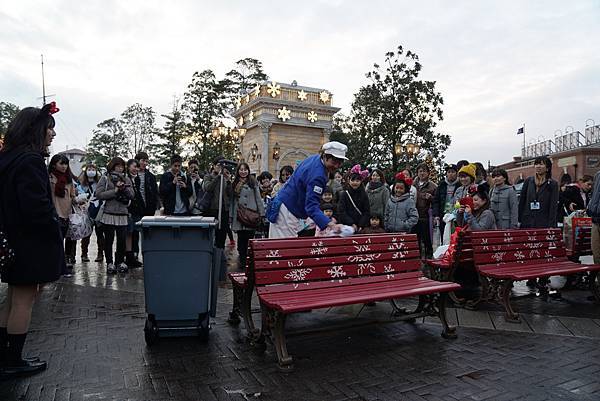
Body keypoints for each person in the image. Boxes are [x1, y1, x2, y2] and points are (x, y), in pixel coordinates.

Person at [0, 102, 63, 376]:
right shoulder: (30, 160)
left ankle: (4, 355)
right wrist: (54, 225)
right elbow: (35, 206)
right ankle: (12, 360)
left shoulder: (7, 157)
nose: (52, 134)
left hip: (12, 239)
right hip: (29, 242)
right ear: (36, 129)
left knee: (12, 299)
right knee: (24, 300)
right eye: (50, 128)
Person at [268, 142, 346, 239]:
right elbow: (311, 206)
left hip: (284, 206)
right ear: (325, 157)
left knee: (279, 247)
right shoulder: (318, 176)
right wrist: (331, 224)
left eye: (340, 162)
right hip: (287, 212)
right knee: (284, 249)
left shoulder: (314, 158)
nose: (337, 166)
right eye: (334, 162)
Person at [95, 157, 135, 274]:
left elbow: (132, 195)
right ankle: (109, 263)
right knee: (109, 240)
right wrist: (115, 191)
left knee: (122, 240)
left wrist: (124, 189)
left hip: (122, 213)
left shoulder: (126, 178)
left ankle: (120, 262)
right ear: (112, 166)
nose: (120, 168)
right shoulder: (105, 178)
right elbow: (99, 194)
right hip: (109, 213)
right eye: (118, 166)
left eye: (122, 166)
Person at [230, 162, 265, 270]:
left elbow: (258, 198)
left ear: (248, 171)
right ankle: (242, 260)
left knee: (250, 239)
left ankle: (249, 261)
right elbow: (232, 201)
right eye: (241, 169)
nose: (243, 171)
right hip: (239, 215)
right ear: (238, 171)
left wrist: (262, 213)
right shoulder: (234, 183)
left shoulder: (252, 182)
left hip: (251, 215)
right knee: (241, 240)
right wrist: (231, 216)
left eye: (245, 169)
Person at [48, 154, 78, 275]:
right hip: (54, 213)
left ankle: (64, 263)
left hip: (67, 214)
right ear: (54, 164)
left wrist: (79, 201)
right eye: (61, 163)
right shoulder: (49, 177)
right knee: (57, 241)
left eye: (66, 164)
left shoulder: (69, 179)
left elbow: (72, 196)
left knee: (68, 240)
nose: (64, 166)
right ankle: (57, 266)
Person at [518, 156, 559, 228]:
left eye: (541, 164)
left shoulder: (553, 184)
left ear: (547, 168)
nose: (538, 166)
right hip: (527, 222)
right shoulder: (528, 181)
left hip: (543, 222)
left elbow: (553, 207)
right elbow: (522, 202)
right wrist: (519, 220)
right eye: (536, 164)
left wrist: (551, 225)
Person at [203, 156, 233, 248]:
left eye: (223, 165)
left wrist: (228, 181)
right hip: (212, 209)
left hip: (224, 210)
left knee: (222, 233)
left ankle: (220, 252)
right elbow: (208, 188)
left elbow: (230, 193)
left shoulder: (225, 178)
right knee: (213, 233)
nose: (221, 167)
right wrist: (218, 177)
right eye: (219, 165)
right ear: (214, 166)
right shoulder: (208, 176)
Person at [77, 164, 104, 263]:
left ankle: (100, 254)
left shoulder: (99, 183)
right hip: (87, 211)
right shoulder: (82, 184)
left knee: (100, 234)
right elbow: (80, 195)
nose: (91, 171)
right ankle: (84, 254)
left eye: (93, 169)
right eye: (89, 169)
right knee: (86, 234)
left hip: (98, 211)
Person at [337, 165, 371, 233]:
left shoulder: (364, 195)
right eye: (353, 180)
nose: (355, 182)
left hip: (361, 227)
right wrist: (351, 223)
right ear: (349, 181)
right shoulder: (344, 194)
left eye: (357, 180)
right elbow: (341, 211)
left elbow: (367, 211)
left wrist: (361, 225)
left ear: (361, 181)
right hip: (347, 227)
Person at [413, 163, 437, 257]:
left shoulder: (433, 186)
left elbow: (437, 201)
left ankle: (429, 257)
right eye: (420, 171)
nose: (422, 173)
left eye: (424, 171)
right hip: (414, 215)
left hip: (426, 216)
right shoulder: (413, 184)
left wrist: (431, 198)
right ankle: (417, 257)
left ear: (428, 173)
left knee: (427, 239)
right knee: (416, 239)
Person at [125, 159, 145, 268]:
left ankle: (132, 256)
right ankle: (128, 257)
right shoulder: (125, 178)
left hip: (137, 209)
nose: (136, 169)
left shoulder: (136, 180)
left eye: (137, 167)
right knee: (128, 233)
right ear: (128, 167)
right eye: (134, 167)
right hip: (127, 209)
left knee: (133, 233)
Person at [432, 164, 459, 242]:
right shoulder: (441, 185)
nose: (450, 174)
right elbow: (436, 201)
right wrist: (436, 215)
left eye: (453, 172)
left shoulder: (459, 186)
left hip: (455, 216)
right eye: (449, 172)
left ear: (456, 173)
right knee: (444, 237)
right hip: (443, 215)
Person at [134, 151, 159, 217]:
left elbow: (155, 193)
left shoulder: (151, 177)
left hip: (149, 210)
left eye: (147, 161)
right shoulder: (131, 175)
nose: (145, 163)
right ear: (137, 161)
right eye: (143, 161)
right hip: (135, 209)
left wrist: (154, 206)